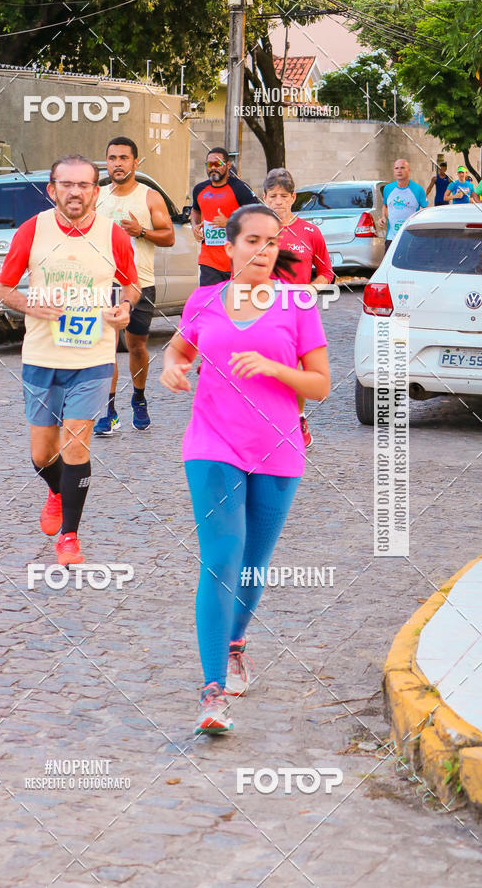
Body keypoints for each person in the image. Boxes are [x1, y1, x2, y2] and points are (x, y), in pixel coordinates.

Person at [160, 204, 330, 735]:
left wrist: (275, 368)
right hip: (212, 443)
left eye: (272, 242)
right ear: (228, 247)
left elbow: (320, 385)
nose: (263, 250)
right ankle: (211, 692)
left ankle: (236, 644)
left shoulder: (297, 302)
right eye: (252, 240)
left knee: (253, 563)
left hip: (279, 448)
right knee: (222, 556)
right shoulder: (205, 299)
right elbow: (179, 349)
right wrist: (171, 367)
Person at [0, 155, 138, 566]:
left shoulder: (113, 236)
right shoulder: (32, 231)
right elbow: (5, 289)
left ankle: (69, 537)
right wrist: (33, 305)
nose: (75, 192)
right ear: (52, 189)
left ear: (96, 191)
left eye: (83, 185)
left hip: (93, 356)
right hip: (41, 355)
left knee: (75, 442)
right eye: (66, 184)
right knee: (43, 454)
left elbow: (130, 287)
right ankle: (56, 491)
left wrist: (124, 310)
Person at [94, 136, 174, 435]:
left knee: (136, 346)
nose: (117, 163)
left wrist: (141, 231)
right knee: (106, 347)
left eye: (123, 158)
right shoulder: (96, 196)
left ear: (135, 162)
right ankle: (108, 407)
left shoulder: (149, 196)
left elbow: (169, 236)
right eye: (112, 158)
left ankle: (138, 398)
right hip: (103, 282)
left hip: (140, 282)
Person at [262, 167, 334, 449]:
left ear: (293, 197)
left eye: (283, 196)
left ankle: (298, 418)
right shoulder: (256, 232)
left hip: (299, 312)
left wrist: (311, 288)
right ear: (264, 197)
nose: (278, 202)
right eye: (272, 196)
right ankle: (264, 421)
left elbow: (326, 272)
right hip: (264, 309)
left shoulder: (310, 232)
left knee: (296, 369)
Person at [191, 147, 256, 286]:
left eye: (217, 164)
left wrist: (230, 222)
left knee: (236, 304)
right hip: (209, 261)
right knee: (210, 303)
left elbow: (257, 218)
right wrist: (194, 226)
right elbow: (195, 210)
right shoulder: (200, 189)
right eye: (209, 164)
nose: (212, 168)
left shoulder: (240, 188)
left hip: (237, 260)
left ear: (227, 165)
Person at [379, 159, 427, 252]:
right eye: (396, 168)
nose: (399, 171)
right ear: (394, 171)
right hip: (391, 237)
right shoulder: (388, 188)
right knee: (388, 266)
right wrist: (383, 217)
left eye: (402, 168)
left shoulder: (418, 189)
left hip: (411, 237)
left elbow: (425, 209)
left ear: (409, 170)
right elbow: (385, 205)